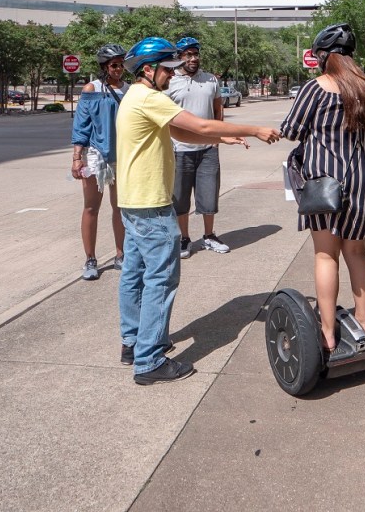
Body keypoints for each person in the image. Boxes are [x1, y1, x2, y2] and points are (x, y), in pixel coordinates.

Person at [117, 37, 280, 385]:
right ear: (149, 70)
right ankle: (149, 360)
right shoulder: (150, 98)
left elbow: (182, 132)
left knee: (134, 273)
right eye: (167, 69)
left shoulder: (133, 96)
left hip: (132, 201)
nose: (172, 75)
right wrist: (254, 129)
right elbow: (201, 125)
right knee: (161, 278)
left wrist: (221, 139)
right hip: (151, 204)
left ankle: (132, 343)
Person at [280, 23, 365, 355]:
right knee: (356, 251)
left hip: (326, 183)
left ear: (324, 56)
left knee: (326, 254)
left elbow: (291, 130)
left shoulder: (316, 88)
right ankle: (364, 322)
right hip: (363, 180)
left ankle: (327, 332)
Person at [167, 36, 228, 258]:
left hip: (208, 149)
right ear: (179, 57)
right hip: (179, 149)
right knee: (180, 198)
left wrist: (217, 138)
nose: (193, 58)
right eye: (188, 55)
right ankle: (184, 238)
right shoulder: (170, 81)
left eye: (196, 54)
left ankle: (209, 235)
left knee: (209, 195)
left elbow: (218, 110)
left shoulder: (210, 80)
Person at [71, 44, 127, 281]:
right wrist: (76, 157)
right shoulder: (92, 89)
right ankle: (90, 259)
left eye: (121, 65)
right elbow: (81, 126)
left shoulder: (129, 90)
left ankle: (121, 254)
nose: (119, 69)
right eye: (114, 65)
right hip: (95, 156)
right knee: (91, 207)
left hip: (122, 156)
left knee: (121, 207)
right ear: (104, 66)